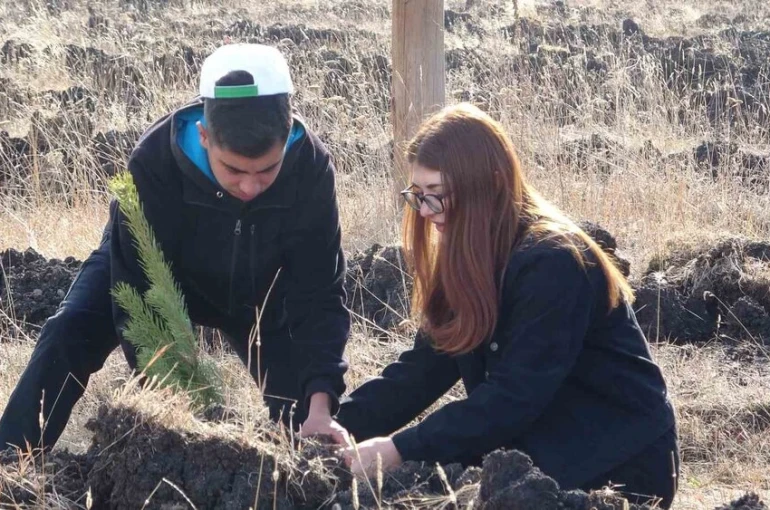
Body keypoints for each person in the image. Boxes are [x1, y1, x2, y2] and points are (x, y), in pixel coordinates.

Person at [0, 43, 351, 452]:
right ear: (204, 136)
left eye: (267, 169)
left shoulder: (309, 166)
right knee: (68, 331)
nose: (251, 186)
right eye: (234, 170)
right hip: (159, 277)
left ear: (288, 132)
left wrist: (321, 404)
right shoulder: (154, 162)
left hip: (260, 292)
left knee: (304, 421)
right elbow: (141, 299)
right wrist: (178, 418)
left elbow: (320, 294)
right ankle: (10, 463)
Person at [335, 103, 679, 508]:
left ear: (492, 185)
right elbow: (422, 370)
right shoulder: (465, 256)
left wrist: (400, 449)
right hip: (537, 453)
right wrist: (339, 427)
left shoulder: (554, 261)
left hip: (618, 465)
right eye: (418, 196)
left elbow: (514, 398)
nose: (426, 213)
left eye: (437, 197)